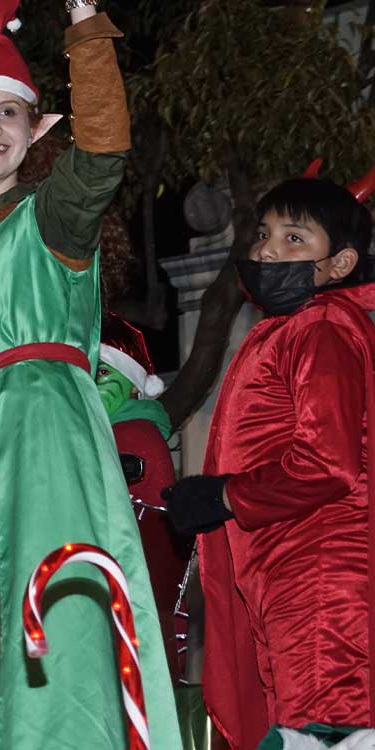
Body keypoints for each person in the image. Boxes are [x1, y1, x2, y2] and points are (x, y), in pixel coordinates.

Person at [0, 0, 181, 746]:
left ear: (38, 131)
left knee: (54, 626)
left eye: (9, 112)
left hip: (43, 444)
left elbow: (101, 160)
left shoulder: (52, 215)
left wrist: (88, 32)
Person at [163, 173, 375, 749]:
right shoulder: (294, 327)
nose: (267, 250)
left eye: (294, 238)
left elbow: (328, 464)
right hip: (289, 570)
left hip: (321, 575)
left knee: (329, 730)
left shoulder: (321, 327)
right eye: (264, 233)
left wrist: (223, 496)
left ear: (340, 263)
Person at [98, 312, 191, 683]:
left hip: (129, 617)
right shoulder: (129, 432)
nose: (90, 382)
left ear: (136, 386)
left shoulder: (130, 435)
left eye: (103, 373)